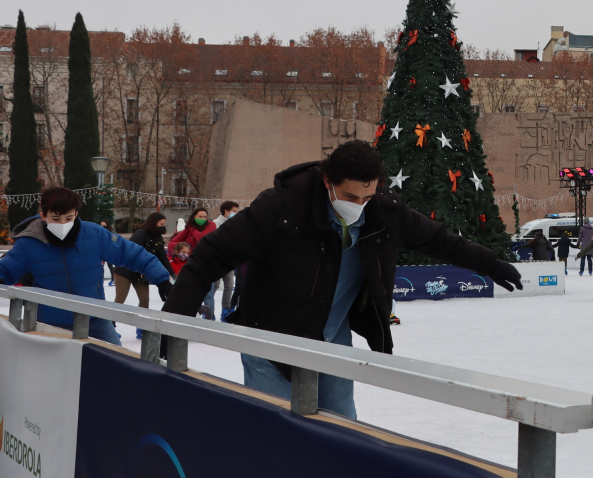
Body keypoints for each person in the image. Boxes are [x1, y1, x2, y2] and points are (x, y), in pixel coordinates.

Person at [161, 141, 522, 419]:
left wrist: (490, 263)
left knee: (340, 431)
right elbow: (210, 257)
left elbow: (439, 241)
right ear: (327, 182)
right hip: (268, 341)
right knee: (274, 434)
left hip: (330, 341)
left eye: (367, 196)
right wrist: (170, 328)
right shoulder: (282, 208)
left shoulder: (384, 211)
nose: (360, 204)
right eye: (350, 196)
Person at [0, 187, 171, 346]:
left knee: (116, 364)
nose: (62, 224)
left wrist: (161, 279)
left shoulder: (94, 234)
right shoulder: (29, 243)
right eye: (55, 219)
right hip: (50, 322)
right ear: (43, 216)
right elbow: (6, 270)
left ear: (76, 213)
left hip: (94, 318)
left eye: (68, 218)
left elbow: (133, 254)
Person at [113, 213, 175, 312]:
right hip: (125, 271)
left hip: (141, 273)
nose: (163, 227)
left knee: (144, 300)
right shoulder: (140, 234)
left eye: (164, 224)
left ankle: (141, 325)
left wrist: (171, 273)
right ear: (153, 223)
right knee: (120, 299)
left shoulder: (158, 238)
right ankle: (111, 321)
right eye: (161, 224)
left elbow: (162, 257)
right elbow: (133, 253)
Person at [171, 207, 220, 319]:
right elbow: (173, 243)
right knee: (191, 292)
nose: (202, 219)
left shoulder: (211, 225)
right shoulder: (189, 228)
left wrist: (192, 229)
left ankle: (209, 317)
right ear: (194, 217)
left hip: (208, 263)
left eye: (204, 217)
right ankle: (191, 314)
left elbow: (203, 239)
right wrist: (183, 250)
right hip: (192, 264)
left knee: (208, 293)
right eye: (200, 217)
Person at [211, 201, 240, 320]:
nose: (235, 214)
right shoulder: (216, 223)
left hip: (229, 259)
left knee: (229, 285)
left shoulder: (235, 224)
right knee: (215, 285)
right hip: (217, 259)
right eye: (234, 211)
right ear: (226, 211)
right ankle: (209, 309)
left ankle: (225, 309)